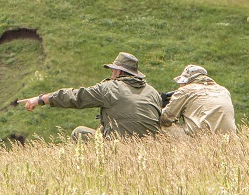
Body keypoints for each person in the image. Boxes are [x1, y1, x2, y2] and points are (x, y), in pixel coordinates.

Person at [17, 52, 162, 141]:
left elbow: (76, 97)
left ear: (118, 72)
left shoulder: (109, 88)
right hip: (149, 150)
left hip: (120, 149)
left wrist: (40, 99)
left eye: (112, 71)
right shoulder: (153, 92)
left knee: (79, 133)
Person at [160, 65, 236, 135]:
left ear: (186, 81)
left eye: (181, 82)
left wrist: (162, 107)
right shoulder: (223, 91)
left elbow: (166, 119)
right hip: (228, 138)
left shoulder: (185, 91)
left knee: (159, 125)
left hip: (200, 139)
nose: (180, 85)